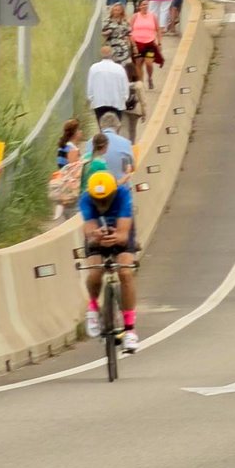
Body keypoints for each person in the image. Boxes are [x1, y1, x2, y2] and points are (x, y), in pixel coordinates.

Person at [80, 170, 139, 354]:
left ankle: (130, 330)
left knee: (125, 272)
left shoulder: (123, 196)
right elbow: (89, 235)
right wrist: (96, 237)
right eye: (98, 200)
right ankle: (92, 307)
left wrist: (116, 238)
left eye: (106, 199)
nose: (102, 204)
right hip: (98, 234)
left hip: (120, 230)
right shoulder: (85, 199)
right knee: (95, 271)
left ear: (114, 192)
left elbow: (122, 236)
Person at [86, 46, 130, 127]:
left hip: (99, 103)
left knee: (102, 128)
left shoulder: (94, 68)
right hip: (116, 103)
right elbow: (125, 87)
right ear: (112, 54)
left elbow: (90, 88)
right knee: (115, 128)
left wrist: (92, 99)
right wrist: (123, 99)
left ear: (101, 54)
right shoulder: (119, 69)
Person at [129, 0, 164, 89]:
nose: (145, 6)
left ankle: (150, 78)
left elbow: (158, 30)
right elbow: (129, 31)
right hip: (138, 43)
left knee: (149, 63)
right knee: (138, 64)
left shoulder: (153, 16)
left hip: (149, 44)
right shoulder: (135, 17)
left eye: (146, 4)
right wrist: (133, 45)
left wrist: (159, 42)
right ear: (139, 6)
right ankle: (140, 83)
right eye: (143, 4)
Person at [102, 2, 135, 89]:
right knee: (112, 66)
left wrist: (134, 46)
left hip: (123, 47)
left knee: (125, 66)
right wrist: (106, 33)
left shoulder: (124, 22)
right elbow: (101, 33)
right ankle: (111, 84)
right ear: (112, 11)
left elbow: (129, 34)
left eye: (118, 10)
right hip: (111, 47)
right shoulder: (107, 21)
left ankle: (124, 84)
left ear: (121, 11)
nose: (116, 11)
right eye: (115, 10)